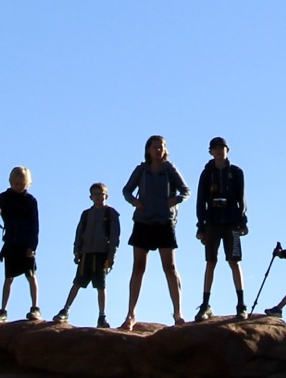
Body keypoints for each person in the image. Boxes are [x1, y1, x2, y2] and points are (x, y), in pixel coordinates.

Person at [121, 135, 189, 327]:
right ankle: (130, 314)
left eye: (161, 147)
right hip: (143, 222)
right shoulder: (142, 169)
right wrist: (135, 202)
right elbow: (126, 190)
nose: (158, 150)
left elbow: (185, 190)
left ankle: (177, 313)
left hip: (164, 222)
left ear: (165, 149)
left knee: (170, 267)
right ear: (148, 150)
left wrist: (174, 200)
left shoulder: (169, 169)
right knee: (138, 267)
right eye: (154, 147)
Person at [52, 181, 121, 328]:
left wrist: (111, 256)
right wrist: (77, 250)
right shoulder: (86, 214)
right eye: (95, 194)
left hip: (101, 253)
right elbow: (79, 232)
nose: (98, 197)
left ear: (106, 195)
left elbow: (115, 236)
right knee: (77, 282)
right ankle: (65, 310)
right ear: (91, 197)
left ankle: (102, 316)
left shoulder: (111, 213)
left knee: (100, 285)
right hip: (86, 253)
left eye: (101, 194)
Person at [194, 135, 248, 320]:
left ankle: (241, 305)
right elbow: (200, 200)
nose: (218, 151)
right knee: (210, 262)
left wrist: (243, 221)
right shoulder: (206, 174)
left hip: (231, 221)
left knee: (234, 261)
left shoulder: (236, 172)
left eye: (221, 147)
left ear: (227, 150)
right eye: (215, 148)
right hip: (212, 221)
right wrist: (201, 225)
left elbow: (242, 198)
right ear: (210, 151)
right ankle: (205, 305)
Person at [0, 166, 40, 323]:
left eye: (21, 184)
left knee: (31, 275)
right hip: (11, 243)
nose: (18, 186)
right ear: (11, 182)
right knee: (8, 277)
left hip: (25, 243)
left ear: (27, 183)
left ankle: (35, 308)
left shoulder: (30, 201)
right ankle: (3, 311)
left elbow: (35, 226)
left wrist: (32, 246)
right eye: (15, 184)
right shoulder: (6, 197)